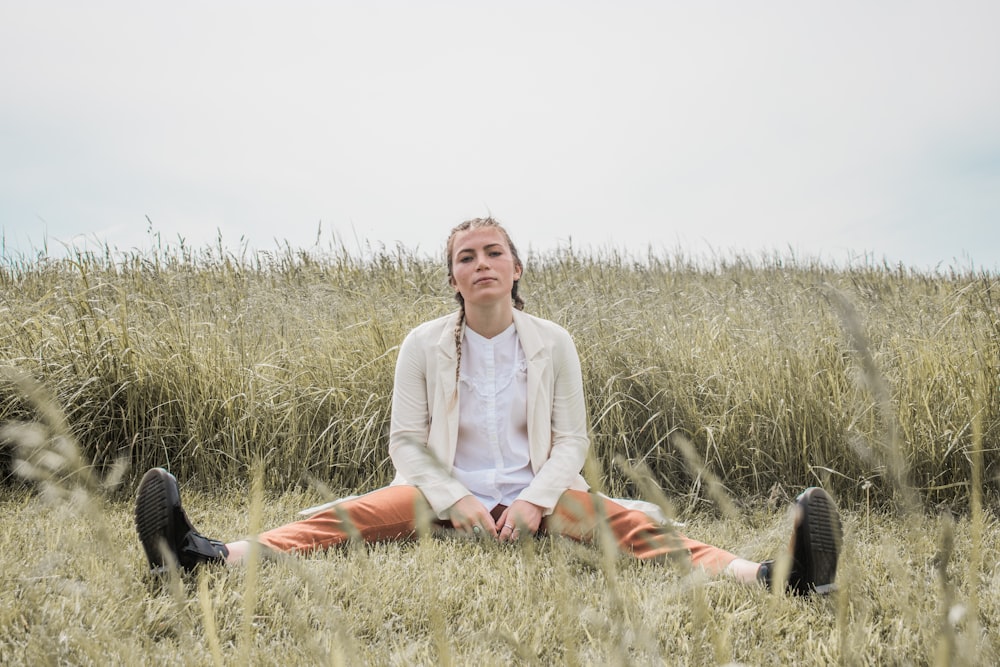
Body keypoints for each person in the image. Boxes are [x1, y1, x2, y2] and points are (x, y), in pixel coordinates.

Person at [134, 217, 842, 594]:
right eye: (466, 255)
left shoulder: (554, 341)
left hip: (542, 496)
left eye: (493, 251)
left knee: (633, 529)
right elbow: (407, 440)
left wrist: (533, 502)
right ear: (453, 277)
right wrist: (457, 499)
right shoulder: (422, 343)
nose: (481, 262)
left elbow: (571, 440)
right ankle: (206, 556)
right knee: (341, 516)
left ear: (516, 266)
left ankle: (776, 577)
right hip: (436, 496)